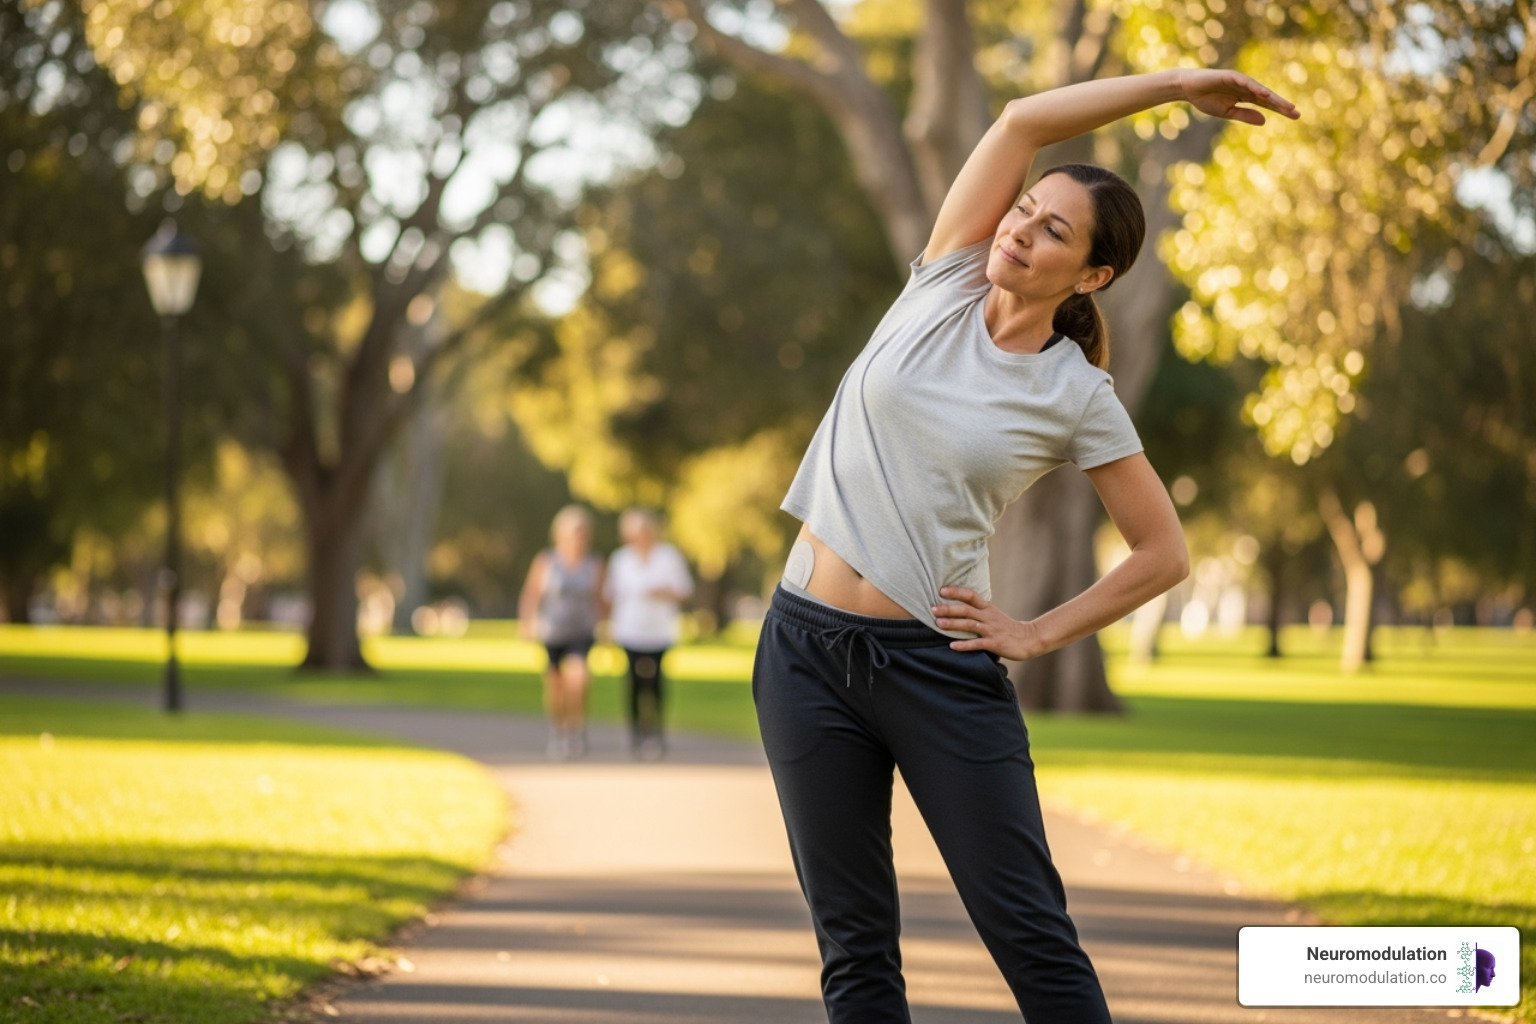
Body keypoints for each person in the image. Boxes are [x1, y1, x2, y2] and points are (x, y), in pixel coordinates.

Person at [756, 68, 1299, 1022]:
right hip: (801, 650)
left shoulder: (1074, 392)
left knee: (1032, 940)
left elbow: (1161, 552)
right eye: (1026, 209)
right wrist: (1175, 87)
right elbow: (1019, 118)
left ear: (1092, 276)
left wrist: (1040, 634)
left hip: (937, 667)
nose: (1021, 228)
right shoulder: (946, 275)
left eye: (1055, 230)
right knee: (855, 950)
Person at [604, 508, 694, 759]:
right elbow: (612, 595)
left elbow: (684, 590)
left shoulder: (668, 556)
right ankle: (634, 734)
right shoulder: (620, 559)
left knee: (655, 682)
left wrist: (663, 592)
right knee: (633, 682)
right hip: (629, 630)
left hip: (659, 631)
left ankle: (656, 734)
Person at [519, 504, 605, 760]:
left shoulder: (594, 563)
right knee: (556, 684)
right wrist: (526, 622)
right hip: (553, 630)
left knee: (579, 678)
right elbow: (532, 594)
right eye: (572, 532)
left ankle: (576, 730)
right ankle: (559, 730)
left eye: (581, 532)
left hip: (582, 629)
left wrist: (606, 624)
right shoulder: (546, 561)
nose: (577, 537)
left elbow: (601, 598)